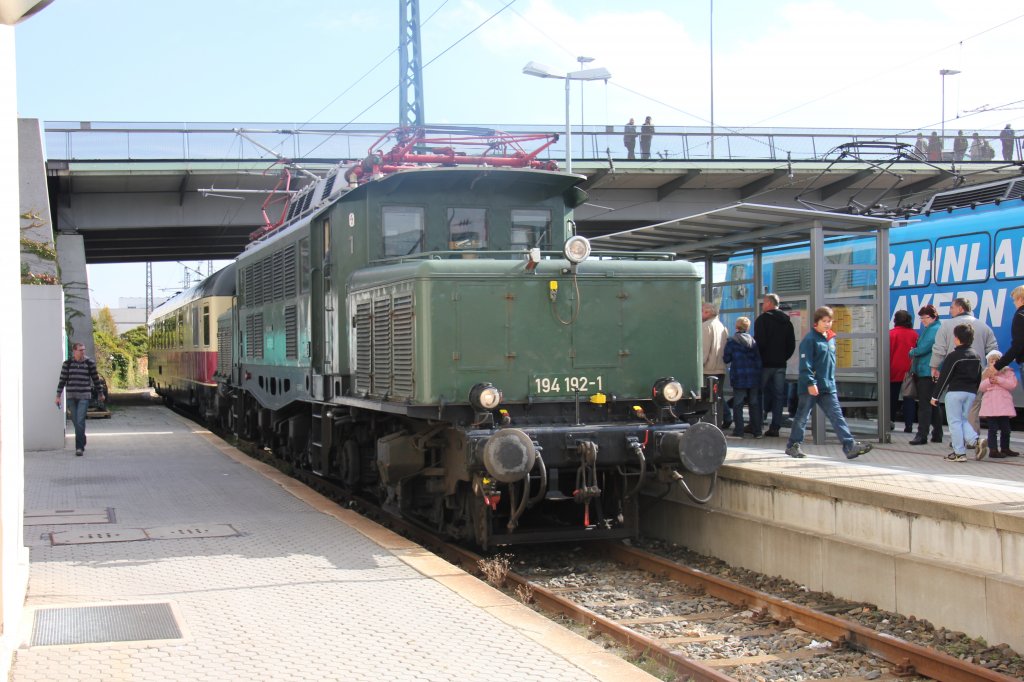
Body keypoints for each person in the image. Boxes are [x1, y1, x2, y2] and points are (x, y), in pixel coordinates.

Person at [784, 306, 873, 460]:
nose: (827, 324)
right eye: (824, 321)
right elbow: (806, 364)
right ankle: (793, 445)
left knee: (837, 416)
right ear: (816, 322)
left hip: (827, 386)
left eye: (829, 321)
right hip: (810, 386)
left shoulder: (830, 339)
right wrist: (811, 383)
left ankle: (850, 446)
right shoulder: (809, 340)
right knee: (802, 417)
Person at [929, 297, 998, 434]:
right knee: (973, 406)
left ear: (960, 308)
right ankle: (973, 437)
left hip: (955, 375)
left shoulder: (946, 326)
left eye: (952, 308)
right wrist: (991, 369)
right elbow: (993, 349)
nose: (950, 311)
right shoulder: (983, 326)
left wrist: (934, 367)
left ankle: (959, 438)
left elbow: (939, 349)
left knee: (956, 409)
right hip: (977, 375)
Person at [930, 324, 986, 462]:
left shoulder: (954, 356)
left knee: (954, 422)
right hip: (970, 393)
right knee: (963, 420)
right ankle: (975, 441)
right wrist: (975, 390)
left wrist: (935, 396)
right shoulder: (976, 356)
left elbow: (945, 377)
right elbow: (979, 376)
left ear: (957, 338)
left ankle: (959, 453)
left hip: (955, 392)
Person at [754, 293, 796, 438]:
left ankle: (757, 424)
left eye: (764, 303)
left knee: (759, 393)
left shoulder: (762, 320)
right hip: (780, 365)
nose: (763, 305)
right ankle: (775, 427)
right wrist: (783, 357)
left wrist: (761, 358)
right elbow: (791, 345)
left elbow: (760, 343)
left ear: (769, 303)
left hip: (765, 365)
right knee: (779, 396)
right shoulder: (787, 322)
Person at [55, 342, 105, 457]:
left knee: (80, 420)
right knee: (75, 421)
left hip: (84, 396)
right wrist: (58, 396)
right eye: (80, 350)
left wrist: (100, 393)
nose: (83, 352)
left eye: (84, 350)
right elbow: (62, 380)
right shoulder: (67, 364)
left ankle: (79, 448)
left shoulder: (89, 363)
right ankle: (82, 437)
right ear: (74, 351)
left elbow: (96, 379)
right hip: (71, 396)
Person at [723, 316, 763, 438]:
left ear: (736, 326)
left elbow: (726, 358)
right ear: (747, 327)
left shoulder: (732, 341)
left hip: (739, 376)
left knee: (738, 404)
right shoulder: (753, 341)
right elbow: (758, 360)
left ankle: (739, 431)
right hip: (753, 377)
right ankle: (757, 432)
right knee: (754, 404)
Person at [908, 304, 943, 445]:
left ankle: (922, 435)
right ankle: (937, 434)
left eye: (925, 317)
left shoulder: (933, 330)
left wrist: (912, 352)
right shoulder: (932, 328)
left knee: (924, 405)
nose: (922, 320)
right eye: (921, 318)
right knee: (933, 403)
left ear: (933, 316)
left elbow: (923, 348)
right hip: (930, 370)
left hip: (927, 371)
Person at [979, 350, 1018, 458]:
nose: (994, 363)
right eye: (992, 361)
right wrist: (989, 381)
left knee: (1006, 429)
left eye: (997, 361)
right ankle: (993, 450)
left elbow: (1012, 385)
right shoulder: (986, 373)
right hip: (991, 407)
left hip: (1003, 406)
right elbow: (981, 387)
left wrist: (999, 380)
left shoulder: (1008, 372)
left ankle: (1005, 448)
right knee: (993, 429)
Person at [701, 302, 730, 428]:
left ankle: (709, 426)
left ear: (707, 312)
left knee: (707, 400)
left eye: (702, 311)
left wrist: (699, 366)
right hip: (720, 368)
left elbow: (704, 350)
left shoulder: (706, 326)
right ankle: (718, 424)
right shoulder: (722, 326)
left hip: (708, 370)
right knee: (718, 398)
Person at [889, 310, 918, 433]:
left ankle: (889, 422)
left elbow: (888, 352)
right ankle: (909, 426)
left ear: (895, 320)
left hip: (893, 369)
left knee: (891, 398)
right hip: (909, 370)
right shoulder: (914, 334)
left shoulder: (891, 334)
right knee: (909, 398)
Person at [990, 285, 1024, 384]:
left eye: (1014, 300)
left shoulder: (1020, 315)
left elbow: (1018, 345)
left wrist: (998, 366)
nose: (1014, 303)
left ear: (1021, 299)